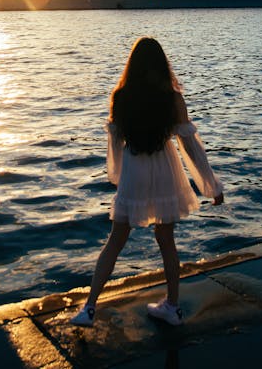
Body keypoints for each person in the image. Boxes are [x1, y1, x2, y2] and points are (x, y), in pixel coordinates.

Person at [71, 37, 224, 328]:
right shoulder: (172, 97)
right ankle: (172, 307)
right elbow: (190, 146)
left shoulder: (121, 96)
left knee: (116, 240)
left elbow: (115, 145)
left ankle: (89, 308)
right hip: (166, 168)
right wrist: (211, 185)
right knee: (166, 240)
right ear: (162, 64)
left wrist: (119, 178)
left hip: (134, 168)